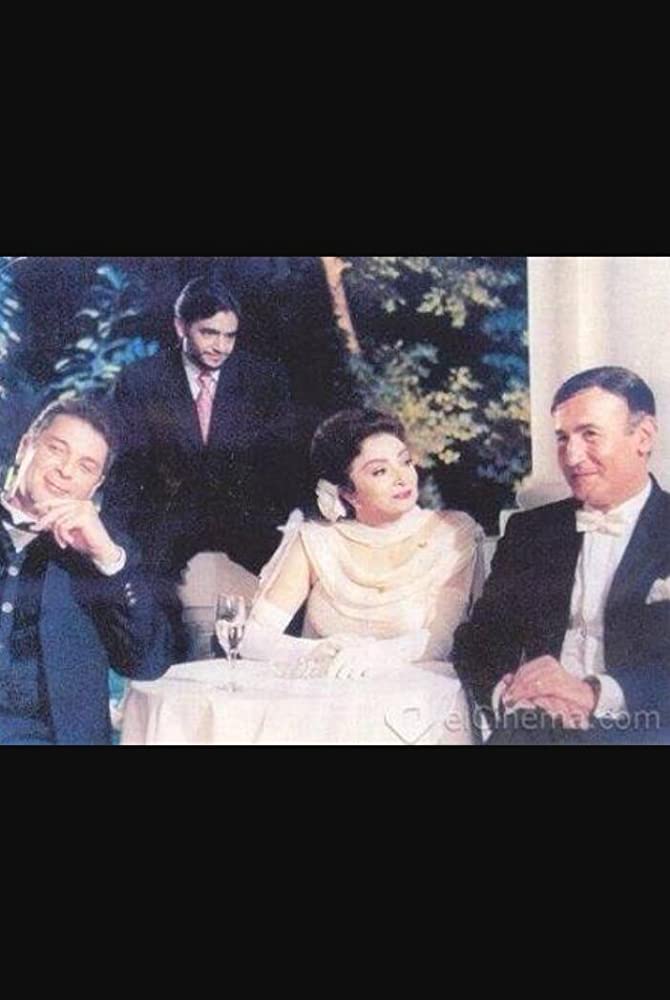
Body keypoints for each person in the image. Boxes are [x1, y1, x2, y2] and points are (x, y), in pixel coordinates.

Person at [454, 366, 670, 745]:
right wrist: (509, 694)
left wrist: (593, 693)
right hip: (535, 725)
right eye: (562, 438)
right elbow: (479, 641)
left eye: (590, 435)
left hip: (647, 727)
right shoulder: (530, 531)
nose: (572, 456)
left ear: (643, 436)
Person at [240, 409, 484, 729]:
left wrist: (377, 655)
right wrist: (317, 651)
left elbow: (443, 638)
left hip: (421, 712)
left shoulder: (452, 533)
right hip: (324, 715)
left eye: (405, 461)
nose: (402, 477)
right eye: (380, 471)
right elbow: (252, 638)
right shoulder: (317, 541)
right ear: (348, 493)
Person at [0, 396, 173, 745]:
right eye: (57, 449)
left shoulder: (108, 555)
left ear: (95, 485)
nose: (65, 471)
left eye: (85, 466)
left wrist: (107, 558)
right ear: (25, 447)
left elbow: (148, 663)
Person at [105, 275, 294, 580]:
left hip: (246, 532)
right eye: (209, 333)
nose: (221, 347)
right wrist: (112, 543)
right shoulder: (140, 381)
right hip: (163, 537)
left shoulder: (264, 380)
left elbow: (282, 467)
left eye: (230, 336)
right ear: (181, 327)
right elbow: (125, 473)